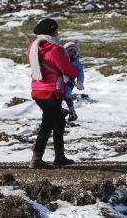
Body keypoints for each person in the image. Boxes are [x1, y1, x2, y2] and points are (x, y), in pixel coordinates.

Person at [27, 18, 79, 169]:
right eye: (56, 31)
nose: (58, 33)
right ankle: (36, 159)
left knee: (58, 120)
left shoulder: (33, 46)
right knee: (47, 124)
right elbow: (67, 70)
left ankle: (59, 156)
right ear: (51, 32)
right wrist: (76, 71)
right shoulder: (55, 49)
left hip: (37, 91)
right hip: (51, 92)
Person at [63, 41, 85, 122]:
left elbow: (81, 72)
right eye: (69, 51)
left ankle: (72, 112)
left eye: (74, 51)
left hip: (70, 82)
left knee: (67, 95)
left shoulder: (77, 62)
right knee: (58, 95)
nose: (72, 53)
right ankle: (61, 110)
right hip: (60, 81)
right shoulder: (62, 60)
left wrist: (80, 81)